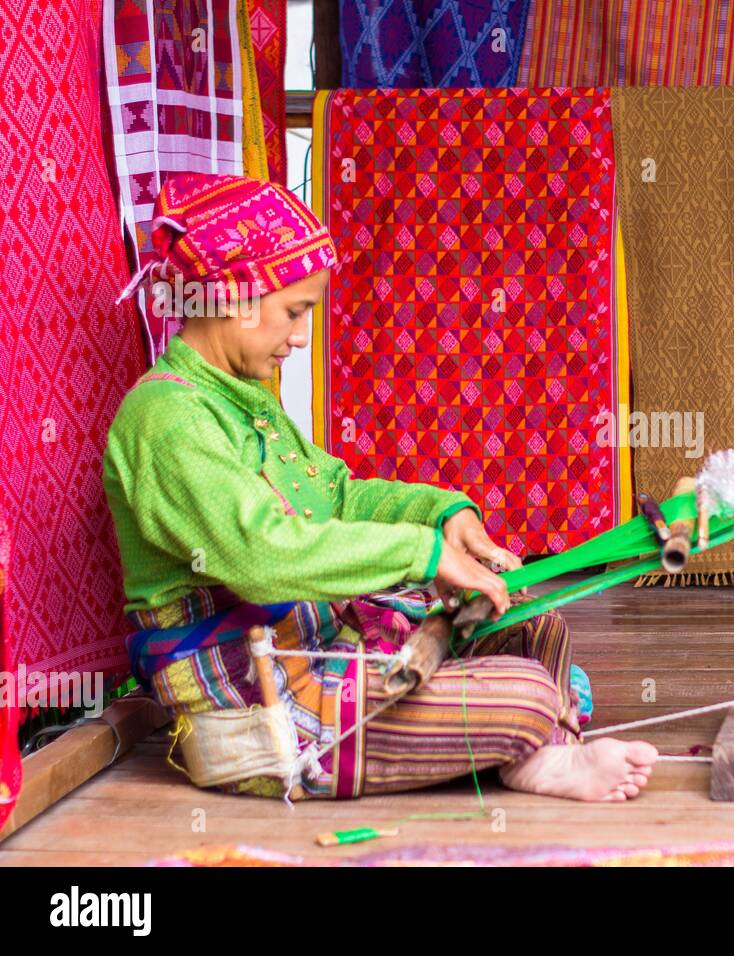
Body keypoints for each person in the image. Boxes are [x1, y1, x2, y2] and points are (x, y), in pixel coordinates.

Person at [103, 173, 656, 802]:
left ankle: (532, 746)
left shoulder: (244, 399)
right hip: (265, 704)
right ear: (234, 298)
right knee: (528, 692)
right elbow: (262, 556)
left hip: (325, 652)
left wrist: (443, 515)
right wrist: (422, 557)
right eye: (293, 312)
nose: (301, 336)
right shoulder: (166, 421)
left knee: (533, 623)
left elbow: (334, 494)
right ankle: (540, 741)